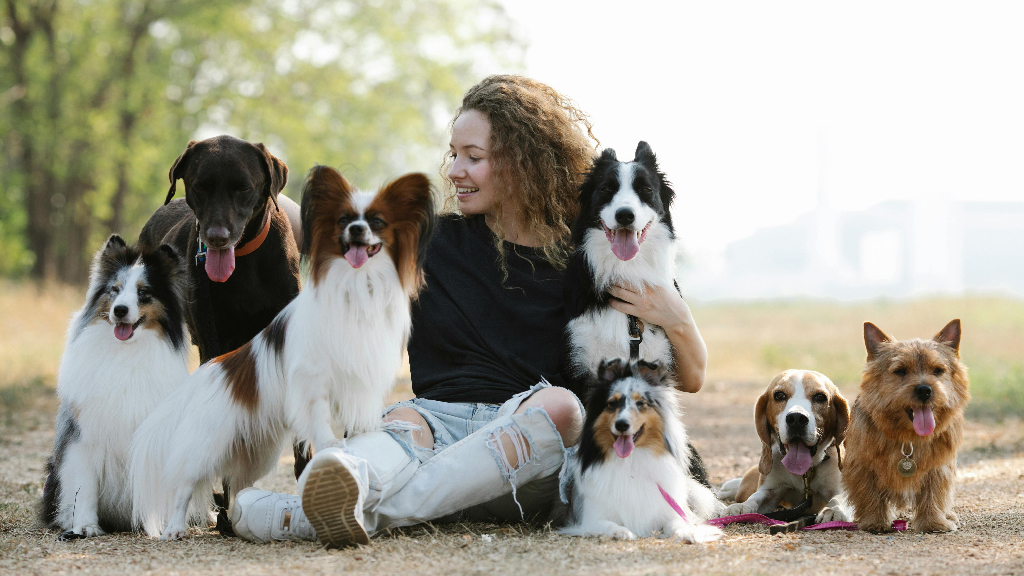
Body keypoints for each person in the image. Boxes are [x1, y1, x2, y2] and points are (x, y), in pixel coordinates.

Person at [231, 75, 709, 547]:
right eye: (453, 154)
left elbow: (688, 378)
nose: (455, 169)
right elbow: (319, 224)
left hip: (525, 452)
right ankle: (344, 484)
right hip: (433, 425)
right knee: (401, 425)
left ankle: (305, 517)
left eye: (473, 158)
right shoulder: (430, 241)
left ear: (524, 164)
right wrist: (238, 193)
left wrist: (676, 316)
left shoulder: (588, 262)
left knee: (562, 407)